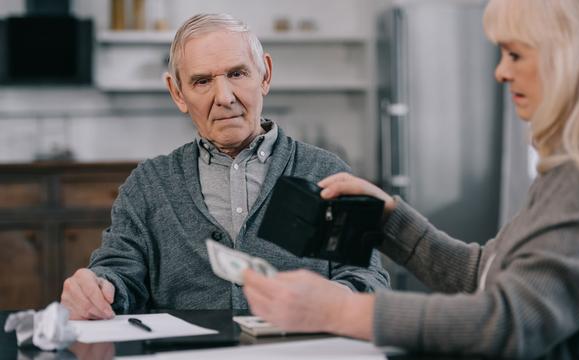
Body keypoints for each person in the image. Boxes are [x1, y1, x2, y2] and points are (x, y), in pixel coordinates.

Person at [242, 0, 579, 358]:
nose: (500, 72)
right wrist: (387, 219)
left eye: (515, 54)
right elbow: (483, 275)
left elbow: (509, 322)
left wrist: (339, 310)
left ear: (569, 59)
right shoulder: (576, 169)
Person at [59, 13, 390, 320]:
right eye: (202, 81)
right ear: (177, 93)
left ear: (265, 75)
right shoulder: (147, 185)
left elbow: (366, 276)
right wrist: (98, 286)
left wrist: (334, 301)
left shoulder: (326, 172)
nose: (225, 96)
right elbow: (119, 271)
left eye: (237, 73)